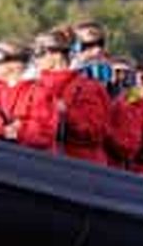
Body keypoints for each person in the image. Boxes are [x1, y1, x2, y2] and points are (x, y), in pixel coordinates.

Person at [32, 27, 111, 163]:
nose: (35, 58)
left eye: (40, 52)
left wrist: (66, 113)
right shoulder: (34, 87)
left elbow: (95, 132)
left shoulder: (88, 88)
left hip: (80, 167)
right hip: (43, 163)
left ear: (57, 55)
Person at [0, 39, 58, 149]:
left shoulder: (39, 92)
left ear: (14, 64)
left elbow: (45, 134)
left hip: (22, 159)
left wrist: (19, 131)